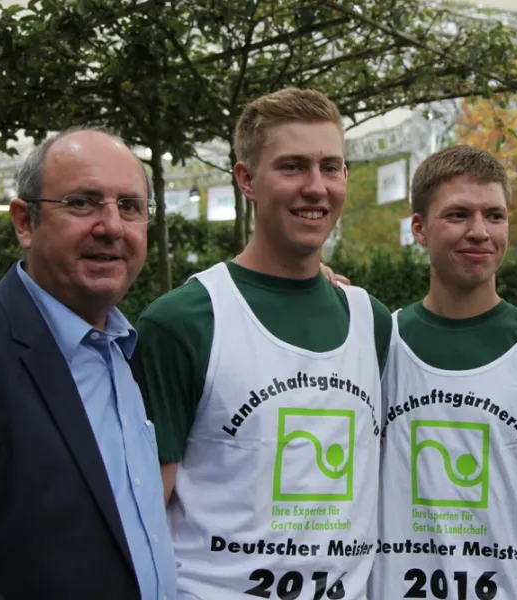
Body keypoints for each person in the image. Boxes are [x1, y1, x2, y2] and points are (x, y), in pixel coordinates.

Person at [0, 128, 175, 599]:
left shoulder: (133, 354)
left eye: (130, 206)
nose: (111, 226)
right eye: (82, 202)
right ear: (25, 222)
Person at [134, 89, 392, 599]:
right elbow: (143, 511)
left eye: (331, 167)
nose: (316, 188)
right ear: (246, 179)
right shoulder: (182, 322)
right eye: (292, 167)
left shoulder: (372, 321)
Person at [371, 146, 517, 600]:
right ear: (418, 228)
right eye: (458, 215)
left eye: (494, 216)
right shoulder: (378, 342)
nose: (479, 232)